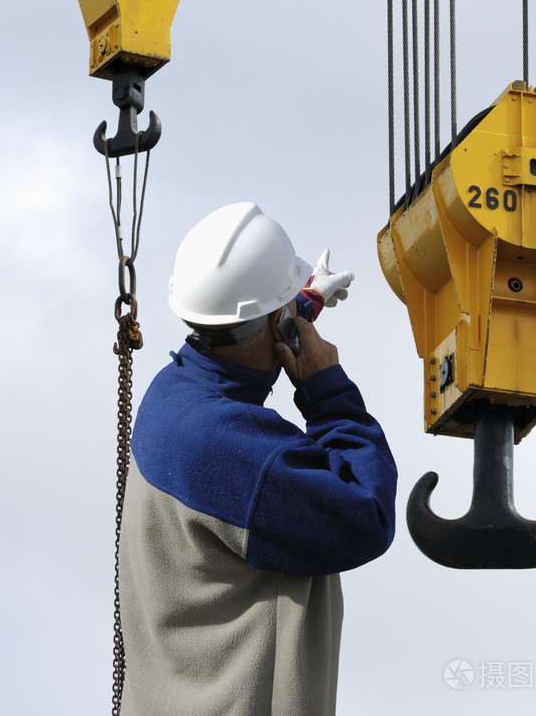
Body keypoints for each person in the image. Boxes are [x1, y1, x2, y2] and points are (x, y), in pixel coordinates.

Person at [119, 202, 397, 716]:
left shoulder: (172, 396)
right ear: (272, 325)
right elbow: (368, 512)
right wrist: (327, 391)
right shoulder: (241, 456)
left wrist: (300, 306)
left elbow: (240, 349)